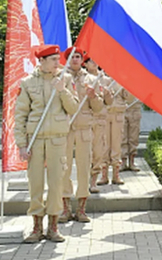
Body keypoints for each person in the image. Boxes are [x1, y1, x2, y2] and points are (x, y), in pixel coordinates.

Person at [15, 45, 79, 243]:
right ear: (41, 61)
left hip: (57, 140)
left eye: (57, 59)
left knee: (56, 184)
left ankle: (53, 227)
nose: (57, 63)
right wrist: (22, 145)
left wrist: (62, 91)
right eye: (52, 59)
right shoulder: (27, 83)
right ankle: (36, 227)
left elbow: (73, 107)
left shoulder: (65, 80)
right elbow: (20, 116)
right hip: (35, 140)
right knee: (35, 183)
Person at [60, 48, 103, 223]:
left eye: (78, 56)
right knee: (64, 168)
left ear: (82, 59)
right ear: (67, 59)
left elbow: (99, 107)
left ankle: (81, 209)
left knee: (84, 168)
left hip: (84, 128)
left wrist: (93, 97)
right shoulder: (61, 78)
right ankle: (65, 208)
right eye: (72, 57)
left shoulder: (92, 80)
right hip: (66, 128)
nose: (75, 59)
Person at [84, 57, 114, 194]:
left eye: (96, 59)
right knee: (84, 152)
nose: (94, 62)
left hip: (100, 120)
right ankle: (83, 181)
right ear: (85, 64)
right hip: (85, 120)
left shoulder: (105, 79)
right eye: (90, 60)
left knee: (98, 151)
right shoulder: (82, 79)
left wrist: (107, 95)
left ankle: (93, 181)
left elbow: (110, 102)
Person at [101, 78, 131, 186]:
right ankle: (104, 175)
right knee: (104, 145)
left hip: (118, 114)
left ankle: (116, 174)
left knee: (116, 144)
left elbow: (127, 96)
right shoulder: (101, 79)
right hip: (104, 113)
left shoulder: (120, 79)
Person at [121, 92, 142, 172]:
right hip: (122, 108)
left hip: (135, 108)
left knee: (134, 137)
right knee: (123, 137)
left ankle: (132, 162)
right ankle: (123, 162)